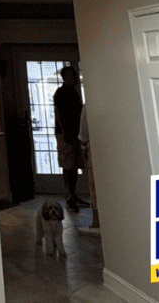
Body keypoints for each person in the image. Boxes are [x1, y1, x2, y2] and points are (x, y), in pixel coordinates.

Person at [53, 65, 88, 212]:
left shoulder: (73, 92)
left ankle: (73, 195)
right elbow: (58, 114)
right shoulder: (61, 93)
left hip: (74, 133)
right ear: (66, 77)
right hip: (66, 135)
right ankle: (69, 198)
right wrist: (65, 133)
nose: (75, 77)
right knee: (68, 166)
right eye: (72, 75)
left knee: (73, 167)